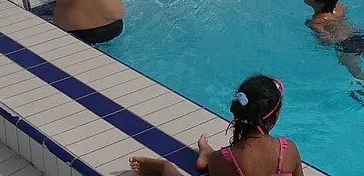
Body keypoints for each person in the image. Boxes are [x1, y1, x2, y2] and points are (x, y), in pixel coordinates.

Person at [129, 75, 304, 176]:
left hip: (223, 162)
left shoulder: (222, 160)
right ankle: (205, 153)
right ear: (274, 118)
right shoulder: (289, 150)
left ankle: (164, 167)